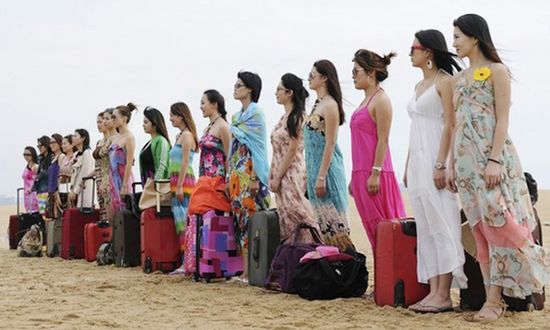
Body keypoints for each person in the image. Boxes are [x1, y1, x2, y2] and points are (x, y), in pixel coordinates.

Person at [449, 13, 550, 322]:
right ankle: (492, 300)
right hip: (465, 164)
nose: (454, 42)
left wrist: (493, 160)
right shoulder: (459, 79)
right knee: (478, 229)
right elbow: (456, 125)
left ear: (474, 37)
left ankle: (527, 273)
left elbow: (502, 119)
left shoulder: (497, 71)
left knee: (500, 223)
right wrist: (453, 165)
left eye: (458, 36)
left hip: (493, 159)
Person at [404, 30, 467, 313]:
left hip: (436, 159)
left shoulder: (445, 81)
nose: (410, 53)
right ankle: (432, 291)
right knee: (426, 228)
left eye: (414, 47)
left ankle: (444, 294)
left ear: (428, 51)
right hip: (417, 162)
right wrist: (407, 164)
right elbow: (415, 127)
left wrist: (442, 163)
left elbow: (450, 125)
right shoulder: (419, 86)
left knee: (442, 223)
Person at [349, 49, 406, 251]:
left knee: (386, 227)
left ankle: (393, 276)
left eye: (356, 71)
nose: (353, 76)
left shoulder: (381, 100)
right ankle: (383, 277)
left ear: (371, 73)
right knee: (372, 229)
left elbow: (383, 140)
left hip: (377, 174)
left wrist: (375, 172)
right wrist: (354, 178)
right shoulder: (364, 101)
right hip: (361, 173)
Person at [304, 60, 353, 251]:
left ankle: (347, 267)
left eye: (312, 74)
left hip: (327, 173)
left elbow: (330, 142)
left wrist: (322, 175)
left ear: (324, 78)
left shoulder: (330, 105)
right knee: (323, 227)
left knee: (336, 226)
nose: (308, 78)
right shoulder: (317, 105)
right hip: (314, 171)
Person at [227, 71, 271, 281]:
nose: (235, 88)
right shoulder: (236, 117)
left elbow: (258, 147)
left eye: (239, 85)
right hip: (236, 174)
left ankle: (255, 269)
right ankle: (245, 270)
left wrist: (254, 177)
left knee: (253, 220)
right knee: (240, 222)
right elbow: (235, 148)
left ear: (250, 89)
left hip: (251, 173)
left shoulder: (256, 114)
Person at [270, 73, 319, 242]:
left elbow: (292, 149)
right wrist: (273, 174)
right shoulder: (283, 118)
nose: (276, 93)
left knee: (297, 211)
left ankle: (309, 248)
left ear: (289, 93)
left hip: (291, 173)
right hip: (280, 172)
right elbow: (277, 149)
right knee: (285, 215)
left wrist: (278, 176)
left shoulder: (298, 117)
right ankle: (292, 255)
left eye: (279, 90)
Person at [168, 102, 197, 275]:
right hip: (176, 183)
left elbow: (185, 161)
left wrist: (179, 186)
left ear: (181, 115)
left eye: (172, 115)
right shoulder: (179, 136)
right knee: (180, 223)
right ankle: (185, 260)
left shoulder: (187, 135)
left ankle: (187, 260)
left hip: (184, 183)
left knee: (184, 222)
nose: (170, 119)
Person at [109, 103, 136, 215]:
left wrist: (124, 186)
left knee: (125, 214)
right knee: (114, 215)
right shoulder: (114, 138)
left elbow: (129, 163)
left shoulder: (129, 137)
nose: (112, 119)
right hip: (113, 180)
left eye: (114, 117)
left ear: (124, 119)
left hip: (123, 179)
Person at [198, 90, 230, 180]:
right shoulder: (207, 128)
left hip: (217, 179)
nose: (200, 107)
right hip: (204, 179)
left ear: (214, 104)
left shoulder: (223, 126)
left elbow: (229, 156)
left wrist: (228, 180)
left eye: (203, 103)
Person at [93, 110, 114, 222]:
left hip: (107, 176)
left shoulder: (112, 140)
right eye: (98, 122)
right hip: (98, 177)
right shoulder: (99, 142)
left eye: (101, 121)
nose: (99, 125)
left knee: (109, 206)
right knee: (102, 208)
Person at [69, 129, 95, 209]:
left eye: (75, 136)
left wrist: (76, 191)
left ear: (83, 138)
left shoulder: (87, 153)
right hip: (74, 191)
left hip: (84, 190)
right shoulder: (76, 154)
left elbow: (85, 173)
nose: (72, 138)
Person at [34, 136, 53, 215]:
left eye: (40, 146)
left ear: (46, 145)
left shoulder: (52, 157)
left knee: (47, 214)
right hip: (40, 191)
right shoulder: (40, 159)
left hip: (48, 191)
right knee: (42, 213)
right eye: (37, 146)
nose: (39, 148)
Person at [47, 134, 64, 219]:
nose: (51, 145)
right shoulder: (53, 158)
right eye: (50, 143)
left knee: (57, 217)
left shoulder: (61, 156)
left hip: (57, 191)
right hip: (51, 191)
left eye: (54, 142)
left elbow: (61, 175)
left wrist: (58, 191)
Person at [57, 135, 75, 212]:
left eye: (65, 144)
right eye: (62, 144)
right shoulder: (62, 158)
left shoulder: (75, 156)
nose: (62, 146)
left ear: (71, 144)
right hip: (62, 187)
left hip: (70, 186)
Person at [22, 146, 39, 213]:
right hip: (26, 194)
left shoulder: (35, 166)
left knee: (34, 212)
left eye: (28, 155)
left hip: (33, 193)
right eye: (24, 154)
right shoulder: (27, 167)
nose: (26, 156)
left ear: (33, 155)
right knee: (28, 212)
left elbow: (38, 180)